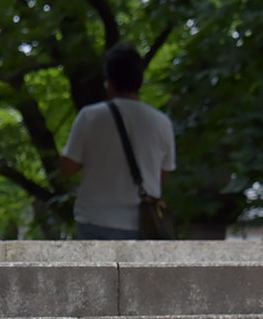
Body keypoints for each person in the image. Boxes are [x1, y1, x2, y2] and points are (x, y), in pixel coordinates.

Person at [60, 42, 176, 240]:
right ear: (140, 81)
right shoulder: (161, 122)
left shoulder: (90, 117)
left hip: (95, 221)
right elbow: (163, 175)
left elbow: (67, 169)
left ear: (108, 81)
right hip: (143, 224)